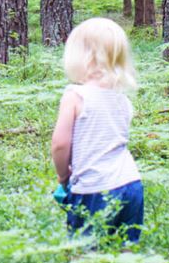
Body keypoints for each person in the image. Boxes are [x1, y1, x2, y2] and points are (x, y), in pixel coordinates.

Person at [51, 17, 143, 243]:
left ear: (80, 57)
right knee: (124, 249)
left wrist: (64, 176)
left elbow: (60, 144)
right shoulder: (123, 100)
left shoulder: (75, 95)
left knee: (85, 255)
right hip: (131, 185)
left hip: (94, 188)